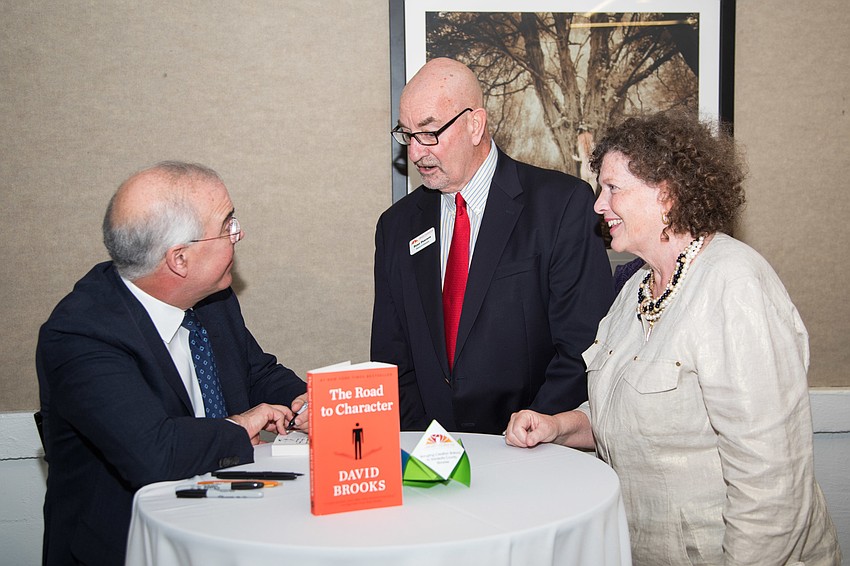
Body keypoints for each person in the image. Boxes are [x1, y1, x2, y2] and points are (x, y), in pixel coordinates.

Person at [505, 112, 841, 565]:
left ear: (666, 194)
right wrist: (559, 427)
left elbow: (771, 481)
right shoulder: (635, 291)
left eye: (613, 188)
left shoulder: (734, 284)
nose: (598, 205)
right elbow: (625, 414)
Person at [36, 161, 309, 566]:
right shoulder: (81, 335)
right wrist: (241, 425)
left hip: (228, 524)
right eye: (227, 225)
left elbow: (255, 371)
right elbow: (154, 454)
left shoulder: (213, 298)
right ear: (179, 259)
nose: (239, 234)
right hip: (132, 546)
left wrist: (305, 400)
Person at [371, 57, 613, 434]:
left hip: (534, 455)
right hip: (431, 459)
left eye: (429, 132)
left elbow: (583, 347)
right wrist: (427, 446)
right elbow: (392, 359)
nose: (416, 152)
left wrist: (533, 432)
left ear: (475, 125)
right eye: (407, 135)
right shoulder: (396, 226)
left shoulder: (561, 206)